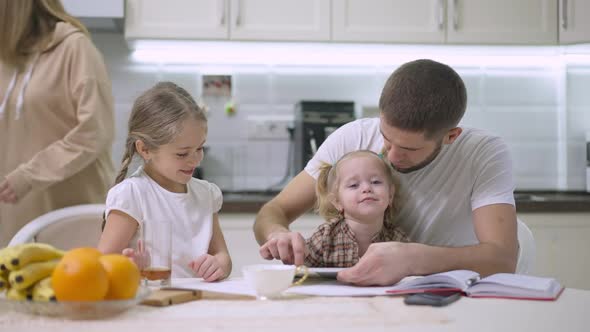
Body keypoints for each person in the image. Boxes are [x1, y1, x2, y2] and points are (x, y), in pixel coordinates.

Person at [255, 59, 518, 286]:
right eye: (385, 138)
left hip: (446, 295)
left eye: (408, 148)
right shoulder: (353, 137)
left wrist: (412, 259)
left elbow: (502, 259)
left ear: (451, 136)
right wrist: (277, 234)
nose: (390, 157)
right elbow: (272, 212)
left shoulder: (483, 153)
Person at [0, 0, 115, 246]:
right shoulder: (5, 57)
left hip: (68, 215)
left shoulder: (75, 48)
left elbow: (94, 132)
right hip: (11, 218)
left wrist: (29, 175)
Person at [98, 82, 231, 282]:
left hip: (199, 302)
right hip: (152, 306)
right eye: (182, 153)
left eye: (200, 148)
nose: (196, 159)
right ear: (145, 149)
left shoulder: (206, 194)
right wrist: (130, 267)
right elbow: (102, 264)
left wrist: (219, 265)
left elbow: (222, 256)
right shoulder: (132, 194)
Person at [305, 150, 409, 267]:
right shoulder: (325, 237)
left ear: (390, 195)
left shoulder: (397, 239)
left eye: (375, 182)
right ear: (337, 201)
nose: (366, 188)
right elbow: (297, 271)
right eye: (354, 185)